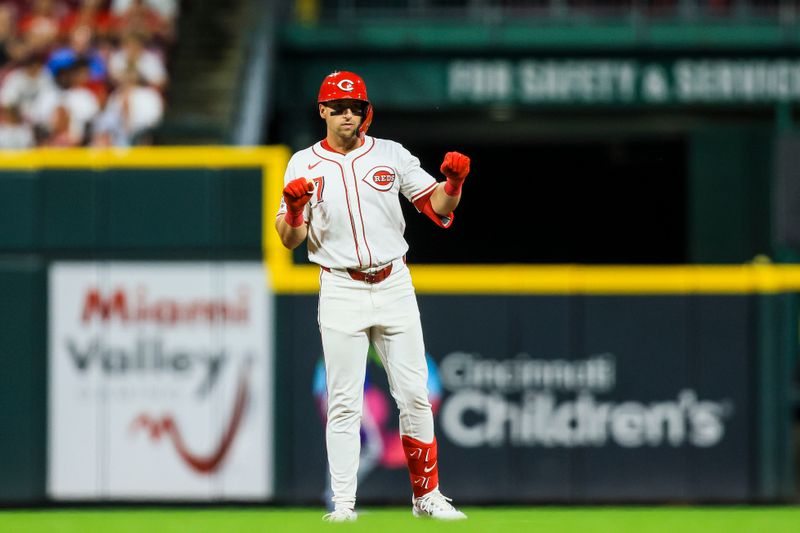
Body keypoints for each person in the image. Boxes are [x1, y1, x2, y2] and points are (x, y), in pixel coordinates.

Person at [275, 71, 471, 522]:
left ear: (366, 110)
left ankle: (428, 496)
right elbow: (289, 238)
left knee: (415, 394)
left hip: (394, 281)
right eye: (340, 108)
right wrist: (296, 208)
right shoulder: (303, 163)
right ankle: (343, 505)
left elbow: (436, 206)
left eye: (356, 107)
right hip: (341, 283)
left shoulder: (390, 154)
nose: (349, 115)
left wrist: (454, 185)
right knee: (344, 401)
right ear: (322, 110)